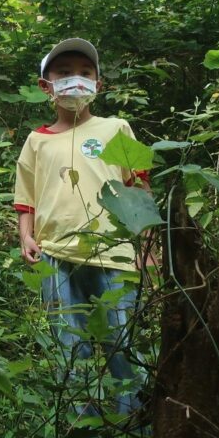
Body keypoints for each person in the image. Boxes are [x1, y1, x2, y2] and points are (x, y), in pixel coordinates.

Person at [14, 38, 149, 415]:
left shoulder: (115, 128)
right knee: (70, 347)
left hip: (114, 254)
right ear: (47, 86)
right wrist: (26, 236)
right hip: (55, 255)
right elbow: (26, 200)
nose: (76, 80)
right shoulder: (37, 141)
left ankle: (134, 426)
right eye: (64, 73)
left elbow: (138, 188)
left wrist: (148, 247)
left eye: (85, 73)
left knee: (120, 341)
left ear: (98, 84)